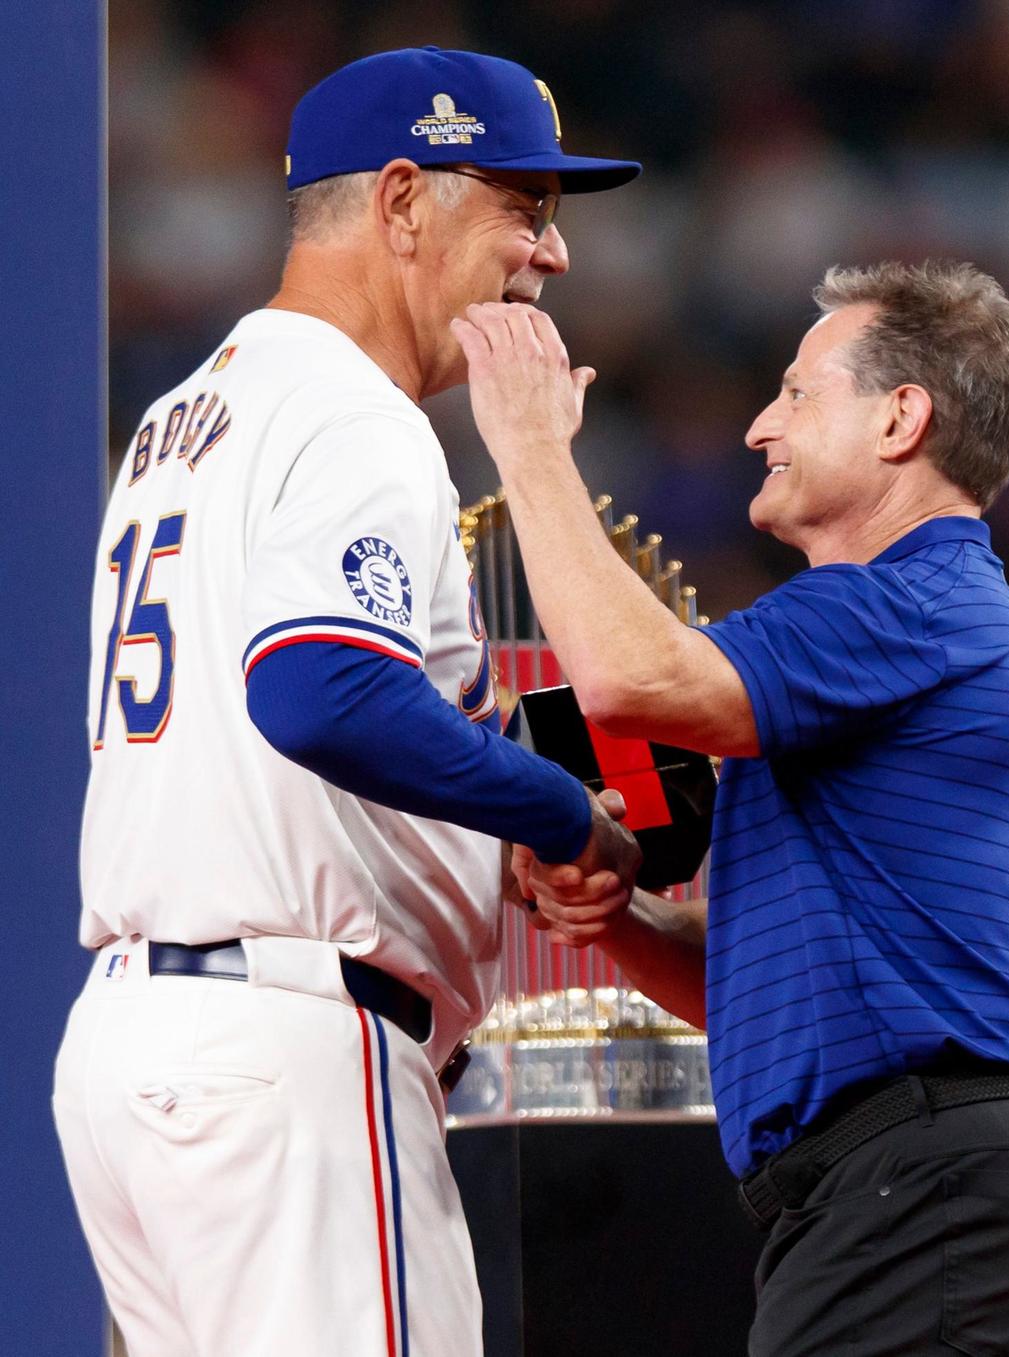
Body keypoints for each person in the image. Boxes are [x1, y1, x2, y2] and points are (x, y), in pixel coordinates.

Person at [53, 47, 642, 1357]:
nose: (552, 257)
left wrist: (499, 839)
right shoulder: (353, 412)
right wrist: (556, 813)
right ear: (400, 203)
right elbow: (320, 691)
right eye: (524, 210)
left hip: (143, 1055)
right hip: (290, 1063)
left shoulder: (185, 418)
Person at [451, 261, 1009, 1356]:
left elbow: (626, 676)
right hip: (905, 1198)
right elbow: (759, 976)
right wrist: (617, 916)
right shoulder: (891, 632)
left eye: (799, 392)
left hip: (929, 1196)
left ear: (904, 418)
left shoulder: (907, 601)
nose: (761, 425)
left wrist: (526, 443)